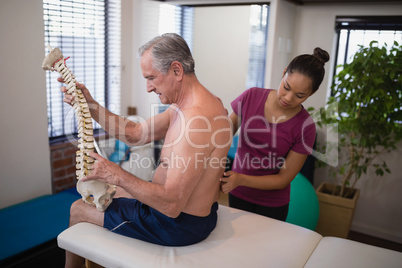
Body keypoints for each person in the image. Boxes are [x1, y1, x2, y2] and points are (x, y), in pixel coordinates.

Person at [60, 33, 231, 267]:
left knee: (78, 208)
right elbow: (135, 134)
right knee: (110, 192)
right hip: (192, 214)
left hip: (177, 225)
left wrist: (116, 174)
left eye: (151, 78)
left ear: (176, 70)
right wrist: (90, 104)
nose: (148, 87)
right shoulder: (194, 104)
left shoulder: (196, 122)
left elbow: (171, 205)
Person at [220, 48, 330, 221]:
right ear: (284, 72)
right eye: (286, 87)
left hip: (271, 204)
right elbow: (224, 135)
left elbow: (283, 179)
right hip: (237, 192)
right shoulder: (251, 96)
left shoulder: (306, 127)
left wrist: (240, 179)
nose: (288, 98)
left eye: (299, 95)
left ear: (312, 93)